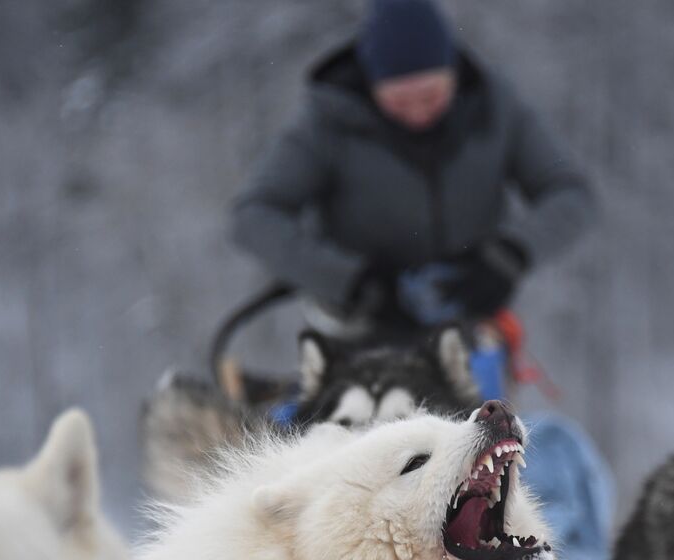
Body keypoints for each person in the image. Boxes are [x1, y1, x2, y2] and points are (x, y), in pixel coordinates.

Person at [230, 0, 595, 336]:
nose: (418, 112)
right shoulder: (326, 121)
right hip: (356, 334)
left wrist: (511, 254)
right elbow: (254, 216)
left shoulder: (497, 107)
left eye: (431, 96)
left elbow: (569, 193)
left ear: (452, 74)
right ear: (372, 85)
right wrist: (350, 279)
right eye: (400, 100)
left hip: (471, 330)